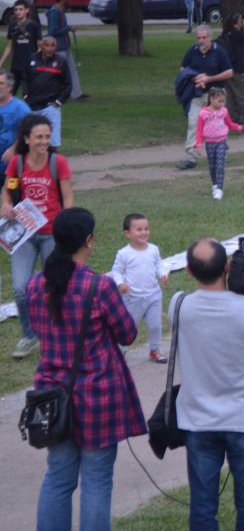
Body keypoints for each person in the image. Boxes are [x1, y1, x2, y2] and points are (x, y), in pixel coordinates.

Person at [28, 207, 146, 530]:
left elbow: (40, 330)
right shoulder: (98, 286)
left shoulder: (36, 285)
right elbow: (127, 333)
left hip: (52, 396)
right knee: (96, 481)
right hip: (98, 396)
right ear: (89, 241)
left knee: (58, 478)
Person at [175, 237, 244, 529]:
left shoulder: (179, 305)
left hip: (198, 422)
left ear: (188, 270)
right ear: (227, 267)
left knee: (202, 506)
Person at [4, 115, 73, 358]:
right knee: (21, 287)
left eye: (47, 136)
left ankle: (59, 335)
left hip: (52, 233)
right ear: (26, 139)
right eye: (39, 137)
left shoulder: (58, 162)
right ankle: (28, 335)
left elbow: (68, 197)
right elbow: (8, 189)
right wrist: (5, 205)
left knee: (55, 284)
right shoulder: (17, 163)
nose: (44, 141)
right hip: (24, 234)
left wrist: (67, 227)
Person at [111, 213, 170, 362]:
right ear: (127, 233)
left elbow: (158, 264)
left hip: (154, 296)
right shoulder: (124, 253)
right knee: (129, 327)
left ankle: (155, 350)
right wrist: (120, 284)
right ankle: (120, 351)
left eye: (146, 228)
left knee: (155, 325)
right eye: (139, 229)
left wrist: (162, 273)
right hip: (132, 297)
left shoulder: (153, 249)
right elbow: (117, 271)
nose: (144, 232)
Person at [176, 25, 233, 170]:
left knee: (216, 125)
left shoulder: (218, 51)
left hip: (215, 94)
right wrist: (195, 77)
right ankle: (191, 157)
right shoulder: (192, 51)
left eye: (204, 37)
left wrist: (209, 79)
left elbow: (229, 72)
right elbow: (183, 70)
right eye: (198, 38)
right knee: (193, 122)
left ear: (210, 37)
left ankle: (222, 153)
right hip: (196, 93)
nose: (201, 41)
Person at [195, 87, 244, 200]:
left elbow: (230, 124)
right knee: (212, 166)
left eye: (223, 101)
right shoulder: (203, 114)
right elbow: (199, 131)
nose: (222, 104)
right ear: (211, 99)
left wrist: (241, 128)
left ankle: (220, 189)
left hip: (221, 142)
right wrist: (199, 144)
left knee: (220, 165)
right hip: (210, 143)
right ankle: (215, 185)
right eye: (219, 101)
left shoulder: (224, 111)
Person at [46, 0, 84, 101]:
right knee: (59, 70)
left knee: (72, 69)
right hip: (59, 47)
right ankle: (54, 93)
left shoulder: (60, 11)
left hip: (65, 45)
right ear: (63, 0)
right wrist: (68, 29)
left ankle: (77, 93)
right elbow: (53, 31)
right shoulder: (54, 12)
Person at [217, 13, 244, 122]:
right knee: (243, 93)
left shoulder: (225, 35)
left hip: (227, 69)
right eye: (240, 21)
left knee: (230, 95)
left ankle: (232, 117)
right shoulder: (238, 34)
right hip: (238, 69)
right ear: (237, 24)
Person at [1, 0, 42, 95]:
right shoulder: (12, 26)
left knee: (29, 95)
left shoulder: (34, 26)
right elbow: (9, 46)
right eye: (16, 10)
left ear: (27, 10)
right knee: (9, 94)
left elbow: (40, 46)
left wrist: (37, 62)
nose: (18, 12)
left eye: (20, 9)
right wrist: (1, 62)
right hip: (16, 66)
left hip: (30, 67)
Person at [0, 70, 30, 162]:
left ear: (10, 87)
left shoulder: (21, 109)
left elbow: (29, 132)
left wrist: (13, 148)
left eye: (1, 83)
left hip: (11, 166)